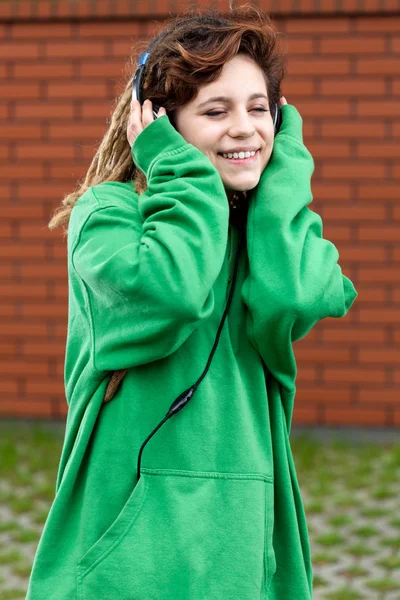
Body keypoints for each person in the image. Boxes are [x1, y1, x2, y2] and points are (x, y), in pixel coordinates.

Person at [26, 5, 357, 600]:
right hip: (131, 559)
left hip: (239, 543)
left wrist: (284, 172)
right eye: (215, 110)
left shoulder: (266, 232)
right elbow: (170, 294)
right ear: (159, 123)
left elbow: (298, 295)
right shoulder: (108, 214)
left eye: (260, 109)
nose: (244, 128)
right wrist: (179, 171)